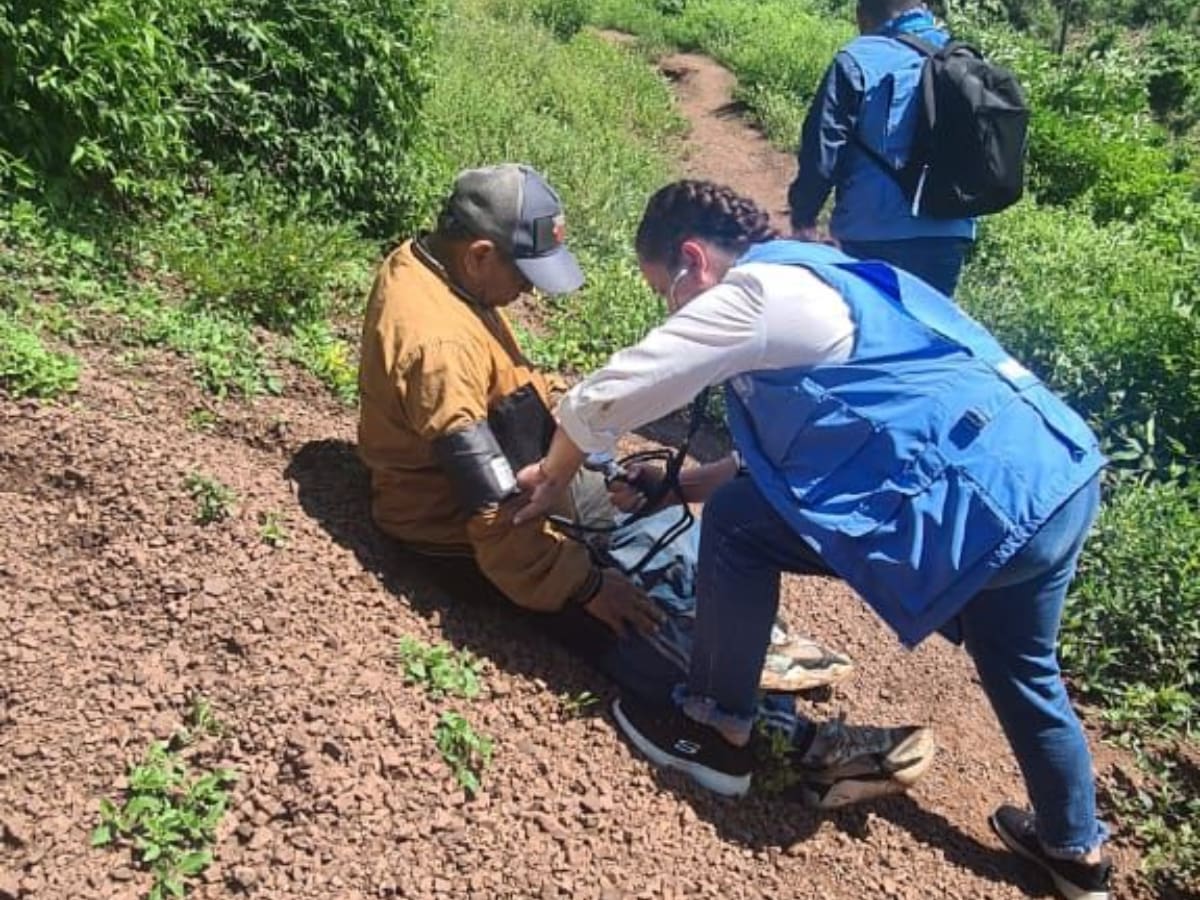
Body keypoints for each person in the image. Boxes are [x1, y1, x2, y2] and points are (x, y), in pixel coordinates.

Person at [516, 179, 1112, 900]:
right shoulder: (825, 273)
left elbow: (607, 394)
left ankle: (715, 733)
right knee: (1023, 667)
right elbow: (815, 450)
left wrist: (552, 476)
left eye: (662, 292)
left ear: (693, 261)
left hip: (982, 509)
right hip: (1054, 480)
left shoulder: (754, 295)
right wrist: (679, 486)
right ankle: (1076, 854)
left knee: (736, 527)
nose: (668, 310)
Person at [356, 163, 932, 806]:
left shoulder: (448, 274)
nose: (530, 293)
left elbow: (510, 384)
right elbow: (494, 514)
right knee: (632, 627)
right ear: (484, 254)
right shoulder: (437, 346)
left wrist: (588, 463)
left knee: (651, 512)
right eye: (525, 277)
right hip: (456, 531)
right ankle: (801, 745)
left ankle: (742, 641)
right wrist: (586, 585)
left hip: (521, 470)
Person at [788, 0, 975, 296]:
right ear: (924, 9)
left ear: (863, 17)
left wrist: (803, 217)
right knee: (926, 332)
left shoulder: (857, 59)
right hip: (948, 235)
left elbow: (822, 152)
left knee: (869, 330)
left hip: (870, 231)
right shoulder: (965, 60)